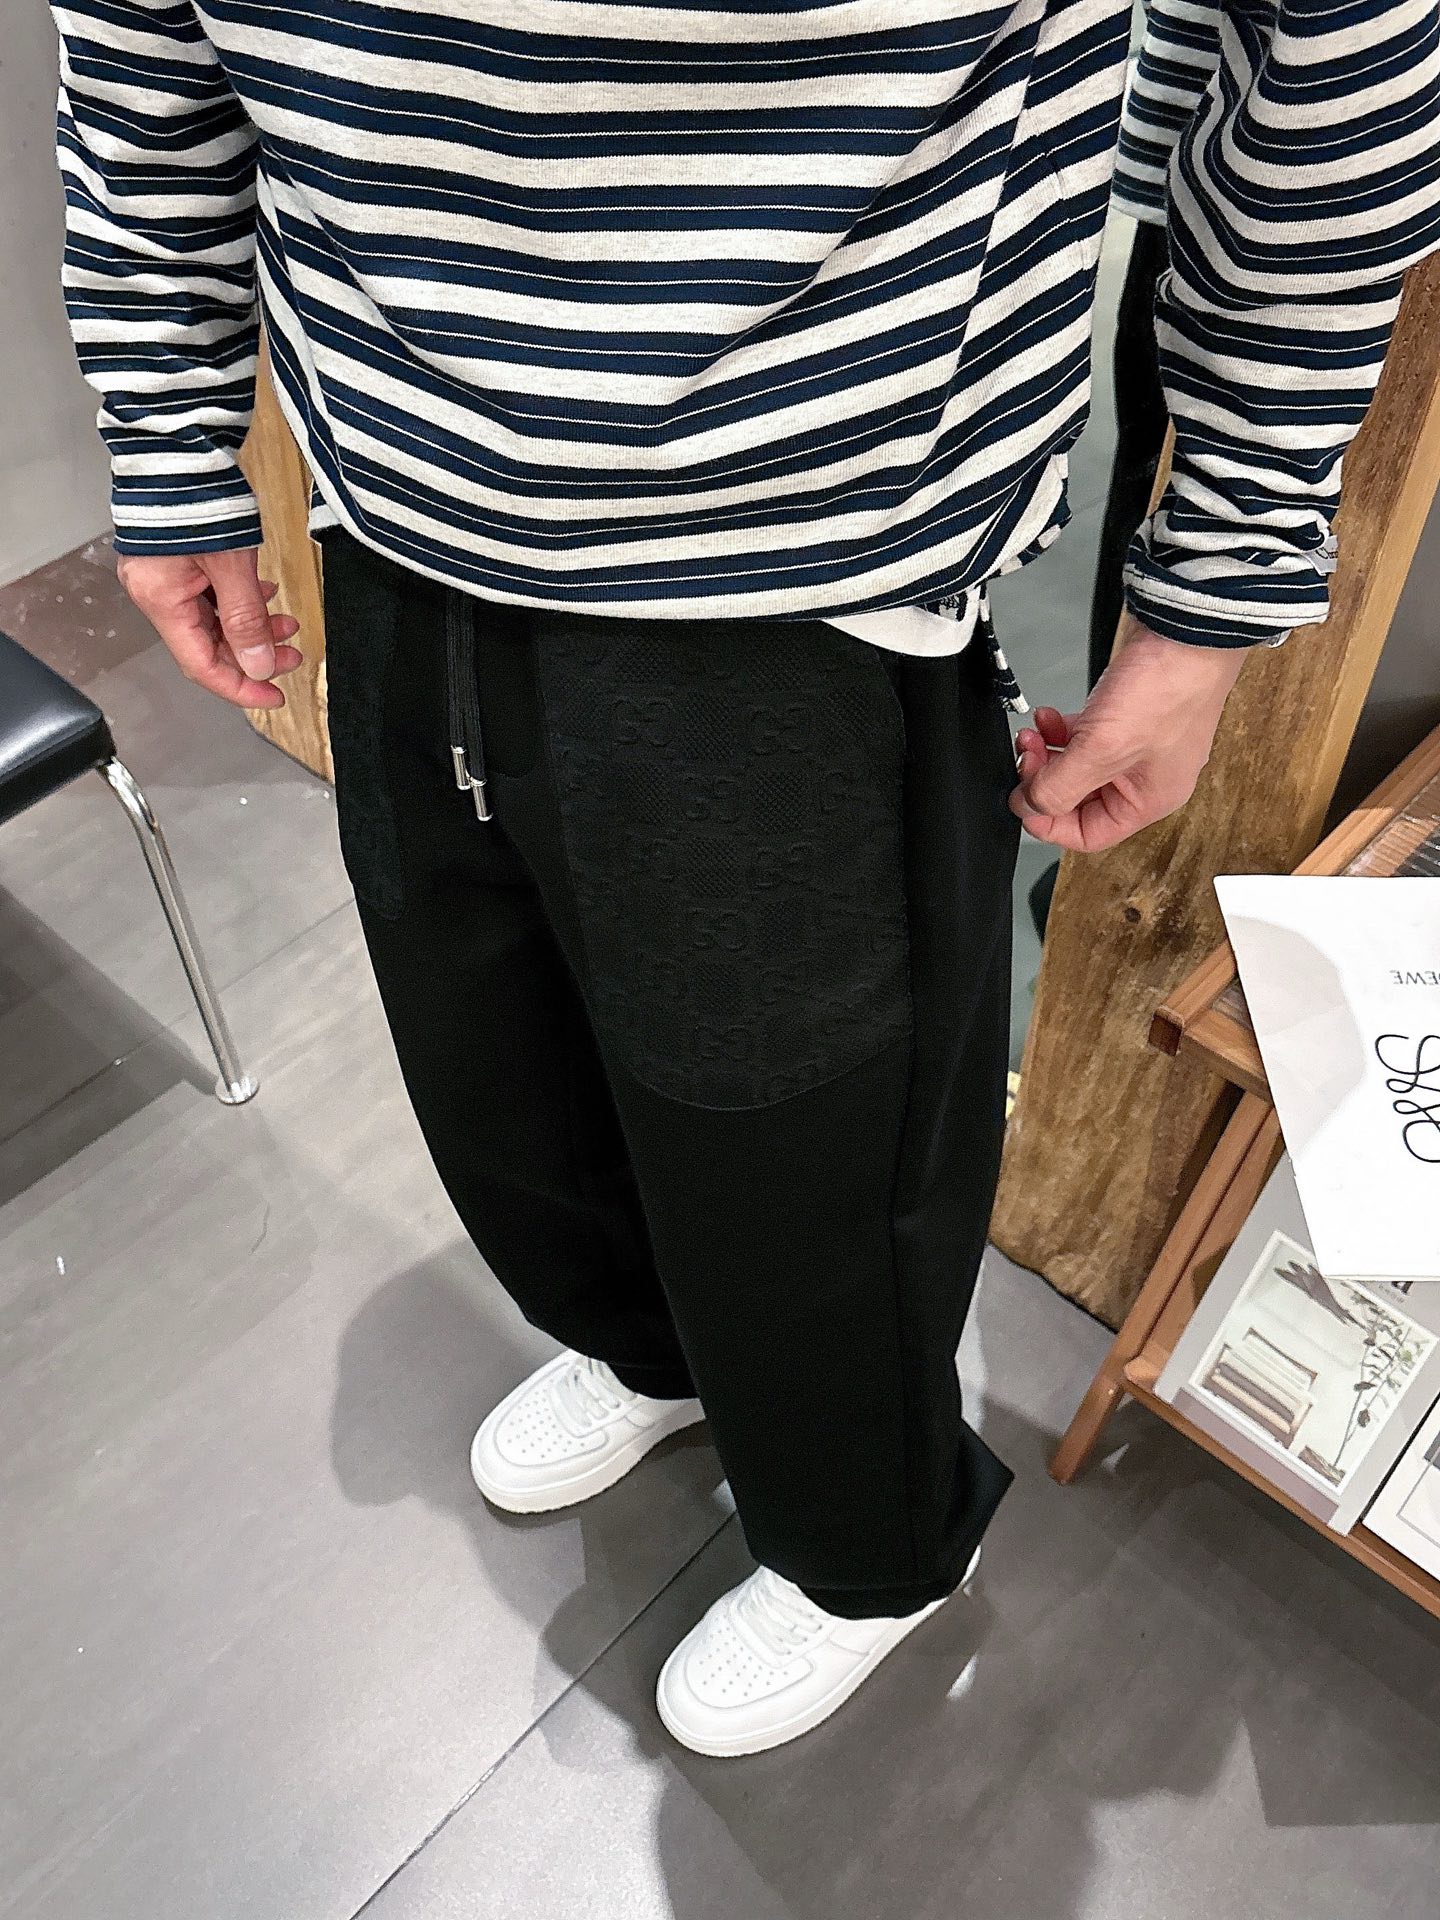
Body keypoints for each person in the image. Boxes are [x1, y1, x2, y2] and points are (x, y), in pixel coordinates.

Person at [50, 0, 1438, 1757]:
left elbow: (1331, 72)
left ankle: (874, 1550)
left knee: (814, 1161)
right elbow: (143, 57)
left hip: (813, 567)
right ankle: (651, 1350)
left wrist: (1215, 577)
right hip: (393, 507)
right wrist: (174, 439)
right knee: (496, 1064)